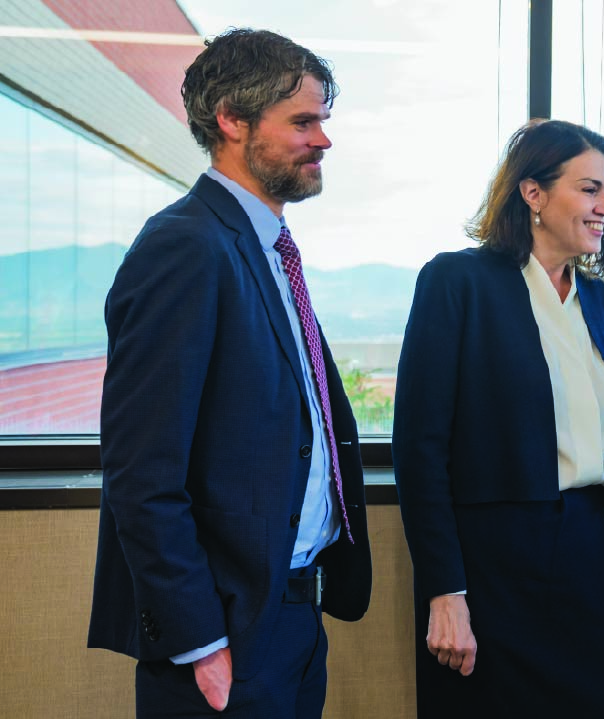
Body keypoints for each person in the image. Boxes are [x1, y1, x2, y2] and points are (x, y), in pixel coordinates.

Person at [87, 29, 372, 717]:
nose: (323, 139)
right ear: (232, 121)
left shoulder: (268, 247)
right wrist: (200, 641)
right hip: (225, 634)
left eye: (322, 121)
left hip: (294, 612)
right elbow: (141, 473)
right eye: (302, 122)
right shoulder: (184, 247)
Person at [392, 119, 604, 718]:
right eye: (589, 189)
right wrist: (444, 592)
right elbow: (420, 452)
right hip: (492, 568)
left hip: (591, 555)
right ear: (533, 193)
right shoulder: (458, 283)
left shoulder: (603, 302)